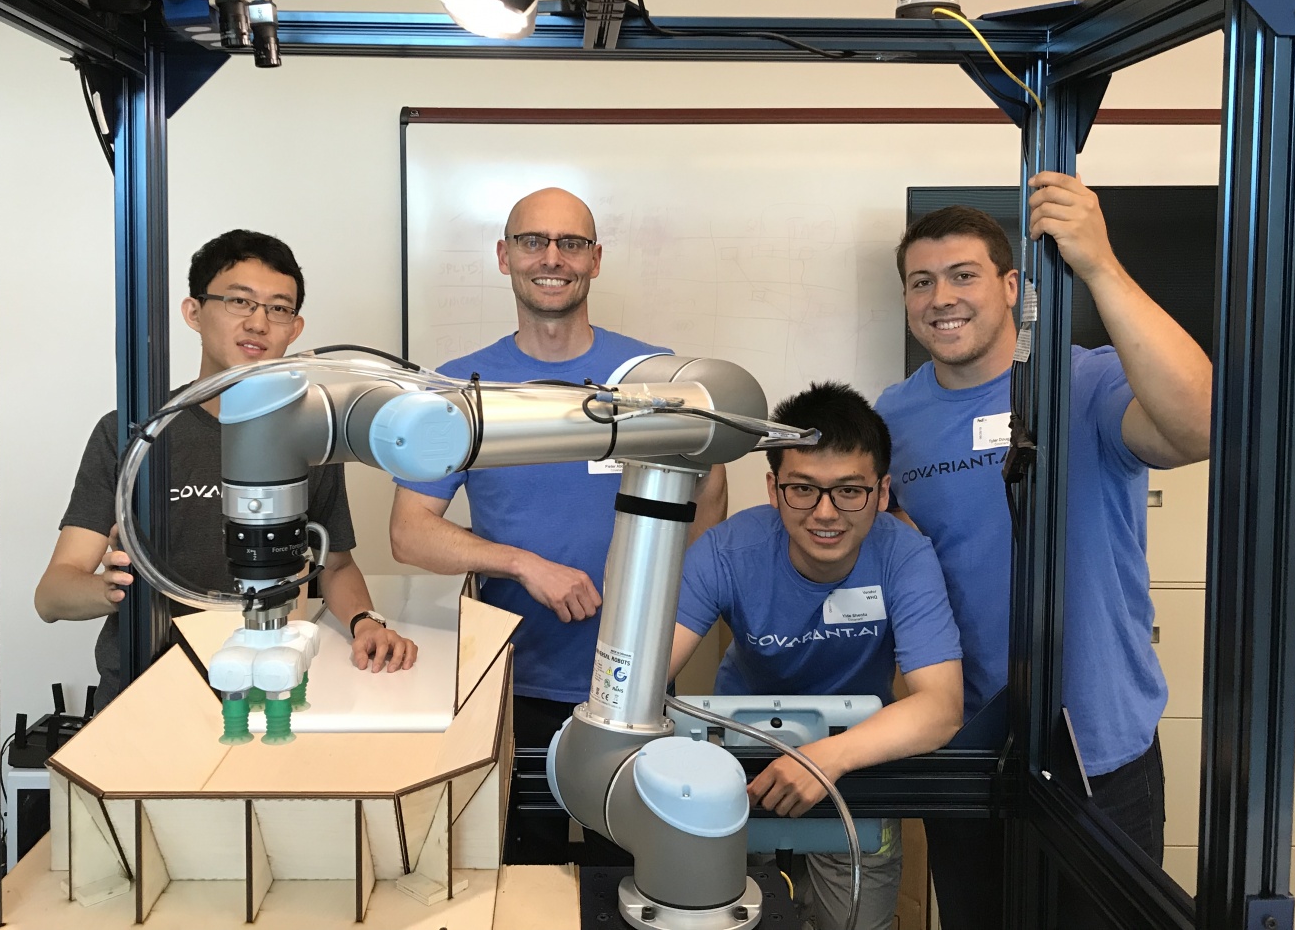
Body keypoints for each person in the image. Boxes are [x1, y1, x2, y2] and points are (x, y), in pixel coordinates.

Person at [874, 173, 1213, 928]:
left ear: (1011, 287)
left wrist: (1099, 263)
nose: (941, 297)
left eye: (963, 275)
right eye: (921, 282)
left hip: (1098, 748)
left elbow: (1201, 426)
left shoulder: (1086, 381)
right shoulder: (893, 416)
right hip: (965, 749)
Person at [389, 186, 727, 864]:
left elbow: (711, 487)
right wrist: (521, 563)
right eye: (532, 242)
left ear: (595, 259)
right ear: (504, 255)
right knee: (525, 878)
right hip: (518, 685)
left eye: (571, 243)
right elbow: (410, 532)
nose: (551, 258)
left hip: (637, 684)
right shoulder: (462, 387)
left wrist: (667, 606)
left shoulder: (652, 375)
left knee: (634, 873)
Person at [36, 229, 417, 708]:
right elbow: (51, 595)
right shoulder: (132, 432)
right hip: (146, 694)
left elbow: (336, 564)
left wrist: (366, 622)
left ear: (295, 329)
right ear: (193, 312)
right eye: (239, 301)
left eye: (278, 308)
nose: (258, 322)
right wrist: (108, 588)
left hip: (268, 685)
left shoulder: (306, 433)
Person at [669, 381, 963, 930]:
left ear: (881, 492)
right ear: (774, 488)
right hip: (741, 771)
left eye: (849, 491)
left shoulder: (905, 557)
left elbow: (942, 708)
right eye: (803, 489)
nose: (826, 513)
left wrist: (825, 760)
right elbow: (643, 679)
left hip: (856, 765)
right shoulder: (728, 552)